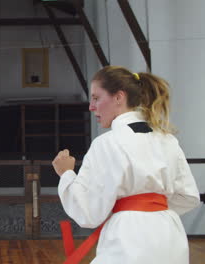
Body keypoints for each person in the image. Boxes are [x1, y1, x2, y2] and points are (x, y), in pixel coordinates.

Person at [52, 66, 200, 264]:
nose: (91, 106)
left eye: (96, 98)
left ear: (118, 97)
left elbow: (88, 213)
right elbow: (188, 196)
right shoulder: (167, 140)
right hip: (170, 236)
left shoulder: (106, 143)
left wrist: (67, 174)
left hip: (128, 238)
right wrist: (152, 207)